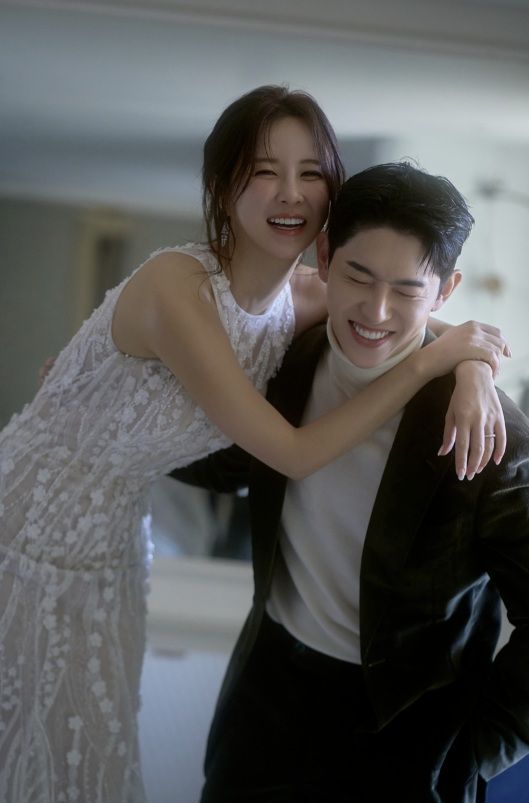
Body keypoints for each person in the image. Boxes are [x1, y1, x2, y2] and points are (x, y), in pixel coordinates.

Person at [0, 85, 507, 802]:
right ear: (222, 185)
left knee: (86, 749)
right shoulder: (176, 287)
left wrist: (473, 370)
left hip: (111, 541)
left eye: (310, 172)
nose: (290, 192)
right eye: (264, 170)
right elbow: (294, 453)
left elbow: (417, 313)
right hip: (22, 527)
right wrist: (431, 365)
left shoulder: (306, 297)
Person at [173, 162, 529, 803]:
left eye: (406, 290)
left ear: (446, 290)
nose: (376, 311)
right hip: (266, 704)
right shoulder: (282, 363)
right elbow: (222, 461)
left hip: (407, 733)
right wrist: (115, 406)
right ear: (325, 257)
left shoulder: (488, 427)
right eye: (358, 276)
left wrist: (472, 752)